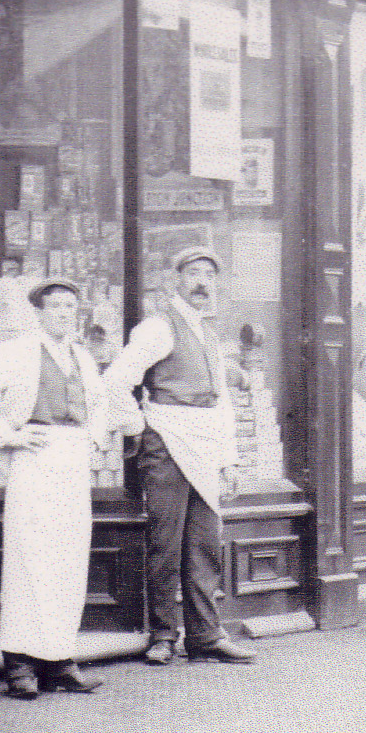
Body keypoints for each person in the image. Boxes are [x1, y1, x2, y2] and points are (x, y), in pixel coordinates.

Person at [0, 278, 111, 700]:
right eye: (55, 306)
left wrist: (95, 435)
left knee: (69, 558)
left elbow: (100, 404)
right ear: (38, 312)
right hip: (35, 457)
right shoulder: (17, 352)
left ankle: (58, 659)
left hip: (73, 462)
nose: (63, 313)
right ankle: (20, 664)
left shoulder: (82, 356)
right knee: (30, 558)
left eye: (69, 307)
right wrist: (8, 434)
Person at [105, 247, 257, 666]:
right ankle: (162, 636)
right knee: (166, 544)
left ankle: (206, 636)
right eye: (193, 273)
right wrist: (139, 428)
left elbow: (221, 400)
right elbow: (116, 381)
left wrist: (229, 458)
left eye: (209, 273)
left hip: (205, 444)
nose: (202, 282)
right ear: (177, 280)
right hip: (168, 441)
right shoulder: (159, 327)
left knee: (205, 543)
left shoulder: (208, 331)